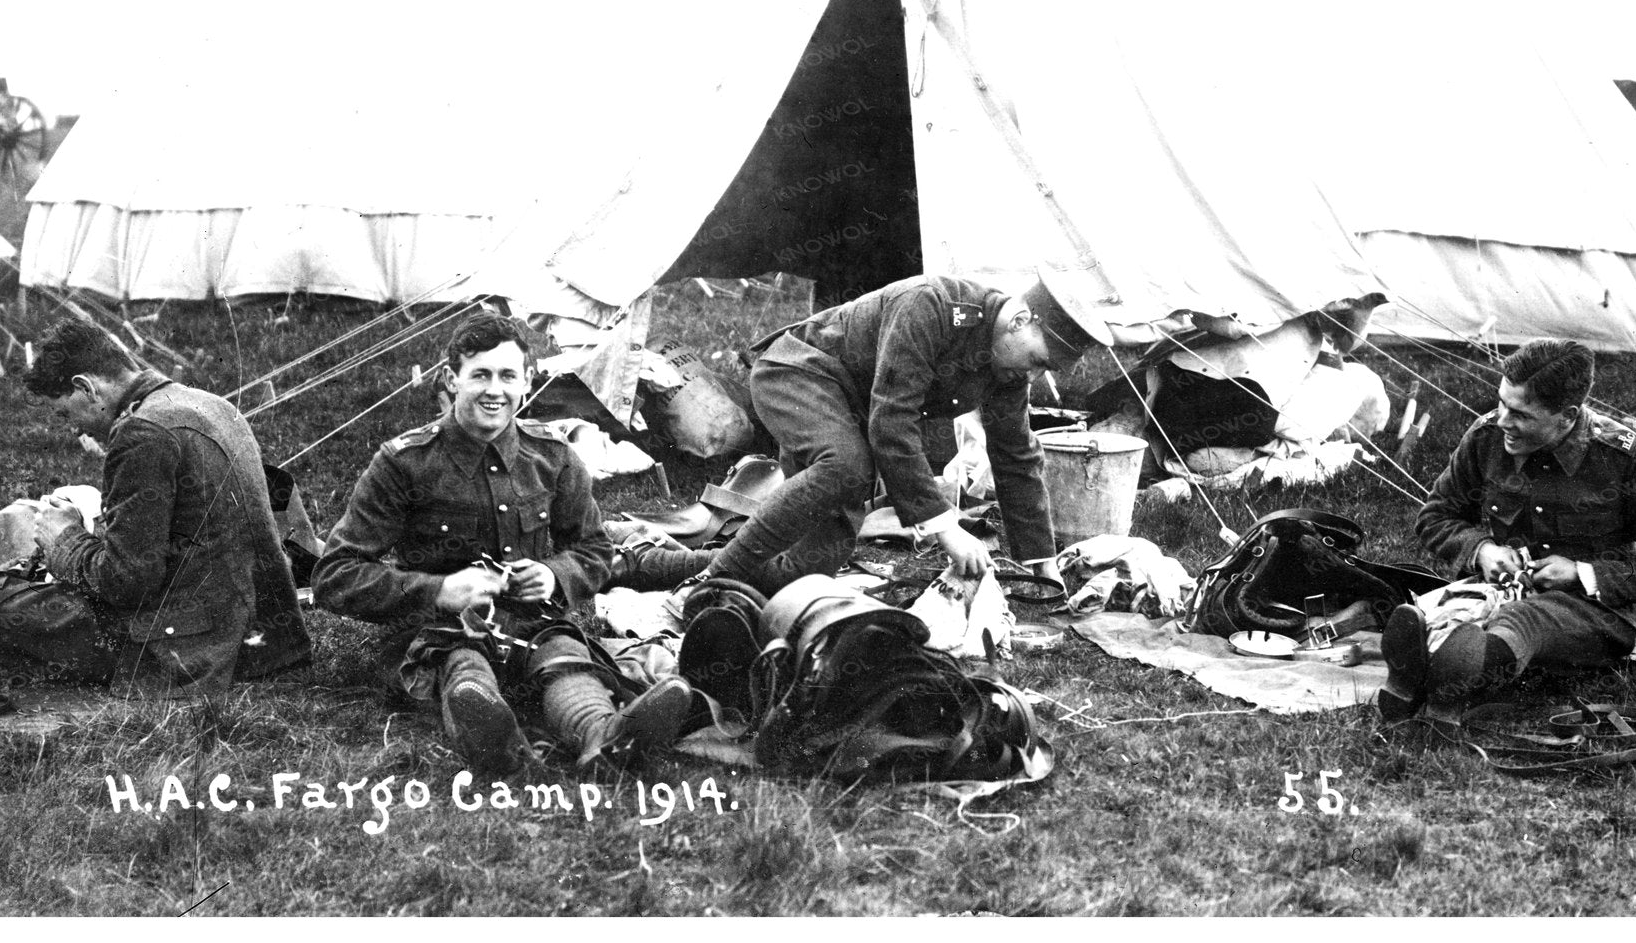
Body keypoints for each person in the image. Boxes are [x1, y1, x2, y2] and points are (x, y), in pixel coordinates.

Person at [313, 313, 717, 777]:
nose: (494, 390)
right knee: (463, 665)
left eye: (507, 376)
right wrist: (437, 591)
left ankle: (605, 739)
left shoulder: (553, 457)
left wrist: (554, 575)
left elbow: (596, 550)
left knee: (565, 660)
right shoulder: (404, 464)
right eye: (479, 375)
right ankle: (496, 741)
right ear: (451, 380)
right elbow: (334, 575)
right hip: (437, 631)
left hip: (535, 624)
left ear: (528, 381)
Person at [704, 273, 1111, 596]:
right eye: (1038, 361)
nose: (1034, 376)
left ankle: (655, 564)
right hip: (801, 374)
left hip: (853, 409)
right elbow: (893, 425)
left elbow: (1016, 453)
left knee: (806, 570)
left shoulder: (1008, 365)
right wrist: (946, 527)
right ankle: (706, 583)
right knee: (847, 466)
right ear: (1020, 321)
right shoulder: (931, 304)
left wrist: (1043, 560)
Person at [1380, 338, 1636, 721]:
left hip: (1599, 613)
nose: (1503, 420)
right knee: (1440, 613)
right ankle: (1441, 671)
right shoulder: (1487, 437)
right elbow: (1436, 515)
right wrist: (1482, 550)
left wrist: (1583, 574)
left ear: (1567, 415)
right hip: (1504, 589)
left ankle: (1465, 677)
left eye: (1520, 413)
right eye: (1501, 403)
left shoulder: (1631, 462)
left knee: (1522, 620)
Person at [25, 321, 312, 697]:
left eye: (66, 414)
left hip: (197, 653)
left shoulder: (141, 432)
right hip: (267, 640)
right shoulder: (215, 405)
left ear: (85, 387)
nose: (73, 430)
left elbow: (126, 581)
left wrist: (63, 539)